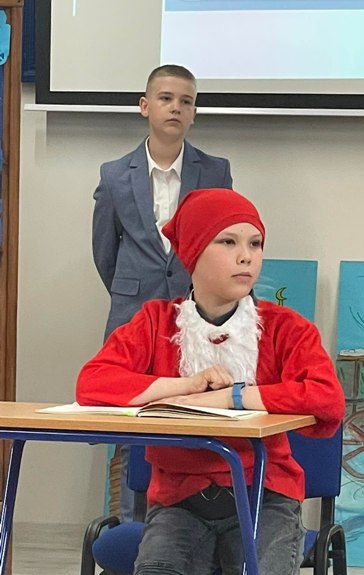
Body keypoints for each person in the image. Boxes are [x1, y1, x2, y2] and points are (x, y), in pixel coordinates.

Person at [77, 188, 345, 575]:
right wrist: (185, 386)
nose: (246, 256)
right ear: (194, 252)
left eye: (255, 244)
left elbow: (325, 398)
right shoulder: (155, 323)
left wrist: (234, 397)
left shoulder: (286, 328)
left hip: (264, 500)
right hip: (180, 503)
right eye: (228, 242)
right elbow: (92, 383)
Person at [92, 64, 233, 532]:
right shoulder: (115, 175)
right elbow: (105, 253)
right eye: (166, 98)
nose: (176, 108)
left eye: (186, 101)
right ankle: (132, 532)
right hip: (133, 314)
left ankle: (189, 530)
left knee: (194, 415)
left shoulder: (215, 171)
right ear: (145, 106)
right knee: (132, 423)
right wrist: (135, 293)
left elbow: (221, 243)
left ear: (194, 113)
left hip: (197, 315)